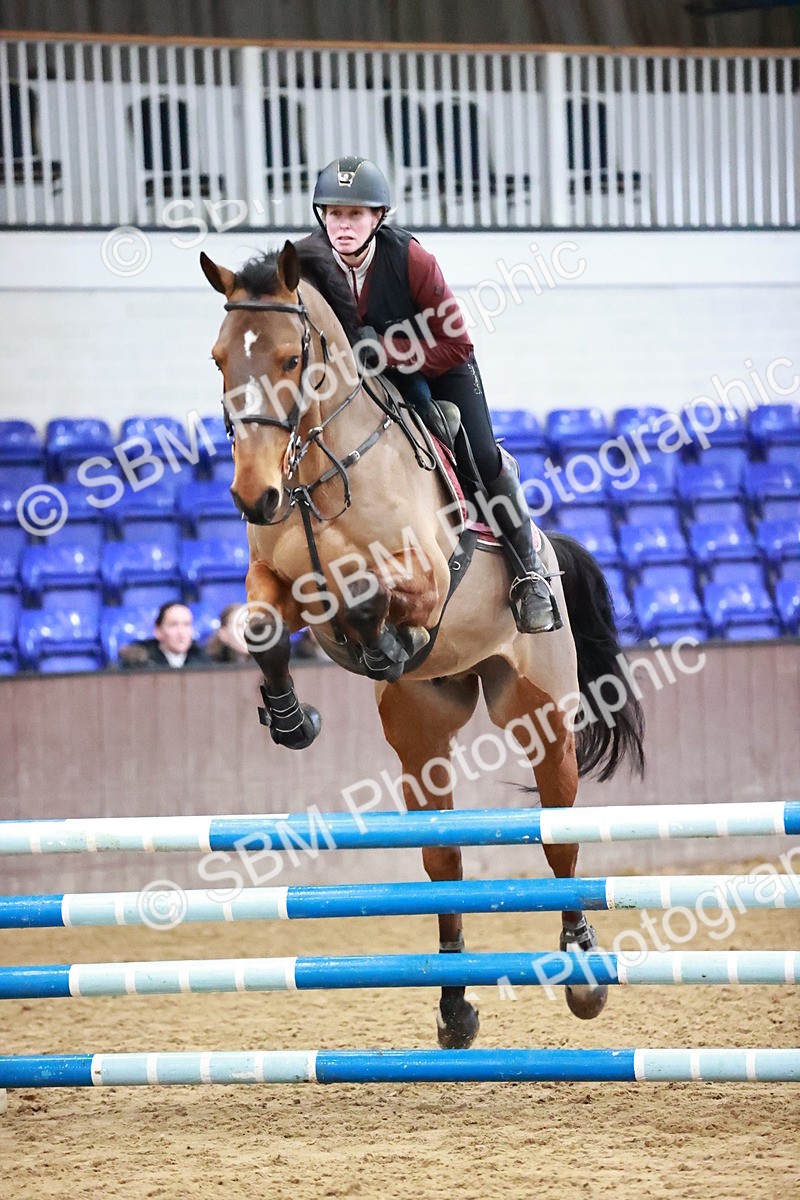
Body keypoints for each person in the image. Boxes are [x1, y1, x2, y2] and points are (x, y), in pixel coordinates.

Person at [305, 155, 559, 634]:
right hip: (352, 380)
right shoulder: (304, 262)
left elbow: (456, 343)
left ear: (377, 217)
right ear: (322, 216)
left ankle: (529, 573)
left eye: (355, 214)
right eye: (335, 214)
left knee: (482, 454)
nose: (344, 225)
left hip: (438, 363)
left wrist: (385, 350)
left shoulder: (411, 259)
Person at [119, 602, 207, 669]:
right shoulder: (140, 661)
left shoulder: (203, 658)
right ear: (158, 631)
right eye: (173, 625)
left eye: (186, 624)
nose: (181, 632)